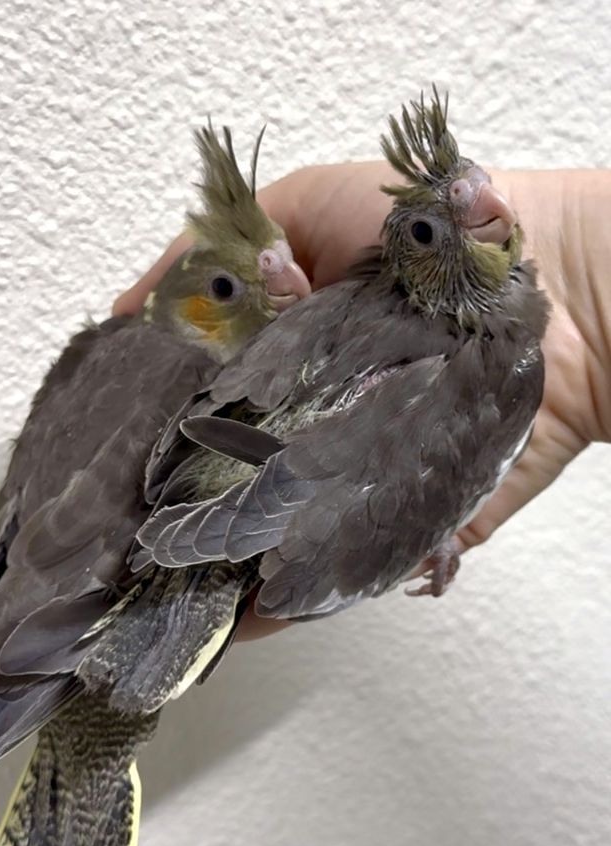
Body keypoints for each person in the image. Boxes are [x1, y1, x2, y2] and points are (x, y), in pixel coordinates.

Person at [114, 162, 611, 638]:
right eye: (424, 234)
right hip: (230, 504)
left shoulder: (501, 372)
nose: (489, 205)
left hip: (251, 515)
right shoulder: (493, 368)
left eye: (481, 187)